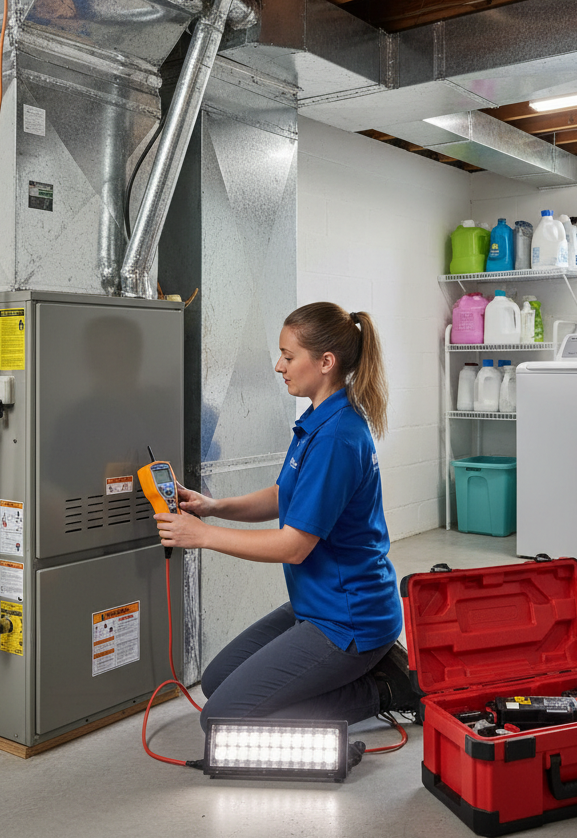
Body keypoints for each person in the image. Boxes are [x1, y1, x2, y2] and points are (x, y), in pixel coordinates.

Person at [152, 301, 418, 746]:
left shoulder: (336, 437)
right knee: (217, 682)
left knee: (223, 718)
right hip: (316, 605)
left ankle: (386, 688)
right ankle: (360, 673)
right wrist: (212, 506)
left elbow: (294, 546)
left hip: (348, 620)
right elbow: (283, 495)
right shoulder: (317, 420)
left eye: (289, 356)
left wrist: (203, 537)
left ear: (326, 362)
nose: (279, 366)